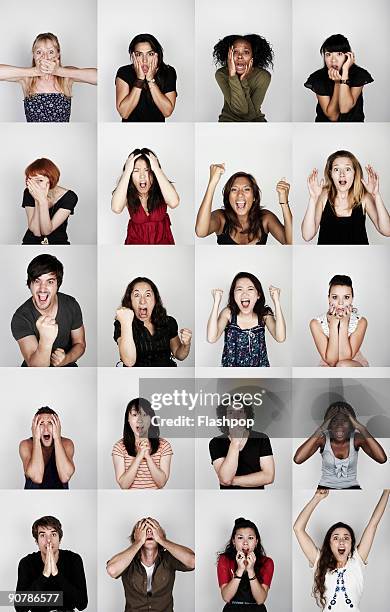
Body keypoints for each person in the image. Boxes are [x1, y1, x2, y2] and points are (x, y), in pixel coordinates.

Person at [293, 489, 390, 611]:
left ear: (351, 544)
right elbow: (298, 528)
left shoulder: (357, 560)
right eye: (336, 538)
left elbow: (373, 524)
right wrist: (317, 498)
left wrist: (387, 490)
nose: (341, 542)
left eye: (346, 538)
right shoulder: (319, 561)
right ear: (329, 543)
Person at [0, 32, 97, 122]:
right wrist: (34, 71)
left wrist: (58, 71)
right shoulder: (27, 78)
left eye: (50, 52)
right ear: (34, 55)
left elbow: (97, 77)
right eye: (39, 52)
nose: (45, 57)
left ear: (58, 54)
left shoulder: (66, 77)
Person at [11, 254, 86, 367]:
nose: (42, 288)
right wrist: (46, 340)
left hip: (67, 367)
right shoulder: (20, 317)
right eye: (37, 281)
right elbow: (36, 368)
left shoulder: (71, 304)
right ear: (30, 284)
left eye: (50, 282)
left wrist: (66, 359)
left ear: (57, 285)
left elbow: (80, 343)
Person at [106, 517, 194, 612]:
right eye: (143, 529)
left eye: (153, 529)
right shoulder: (127, 559)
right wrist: (138, 542)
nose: (148, 531)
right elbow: (112, 570)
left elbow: (192, 561)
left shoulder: (168, 558)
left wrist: (162, 540)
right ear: (136, 535)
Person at [302, 151, 390, 244]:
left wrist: (376, 195)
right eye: (336, 169)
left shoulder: (364, 197)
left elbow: (387, 231)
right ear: (331, 174)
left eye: (347, 169)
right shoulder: (323, 196)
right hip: (327, 256)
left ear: (355, 173)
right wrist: (313, 198)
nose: (342, 174)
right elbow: (307, 236)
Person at [293, 401, 387, 489]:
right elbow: (298, 459)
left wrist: (361, 428)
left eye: (344, 421)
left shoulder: (356, 438)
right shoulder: (323, 439)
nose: (339, 425)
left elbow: (382, 459)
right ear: (329, 424)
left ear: (351, 423)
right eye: (334, 421)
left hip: (352, 487)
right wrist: (321, 428)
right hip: (325, 487)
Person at [196, 164, 292, 244]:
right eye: (234, 189)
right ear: (228, 197)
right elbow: (200, 232)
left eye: (246, 189)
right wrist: (212, 183)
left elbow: (290, 242)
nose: (240, 194)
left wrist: (284, 202)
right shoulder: (221, 217)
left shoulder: (265, 217)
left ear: (254, 196)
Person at [207, 272, 286, 367]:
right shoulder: (228, 313)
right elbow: (211, 338)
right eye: (239, 289)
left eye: (250, 289)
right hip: (231, 375)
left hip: (260, 375)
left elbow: (280, 338)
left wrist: (276, 302)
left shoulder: (264, 314)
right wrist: (216, 303)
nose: (245, 293)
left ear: (258, 295)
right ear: (233, 295)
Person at [15, 515, 88, 612]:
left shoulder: (74, 559)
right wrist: (44, 575)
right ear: (36, 541)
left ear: (60, 539)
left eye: (53, 534)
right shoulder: (26, 563)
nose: (48, 540)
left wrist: (57, 574)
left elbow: (82, 604)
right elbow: (20, 608)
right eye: (42, 535)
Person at [114, 276, 192, 367]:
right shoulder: (122, 324)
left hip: (165, 376)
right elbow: (129, 361)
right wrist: (126, 322)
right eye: (136, 295)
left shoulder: (168, 322)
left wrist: (186, 344)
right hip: (136, 378)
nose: (142, 301)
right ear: (130, 300)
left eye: (148, 295)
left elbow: (179, 355)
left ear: (155, 299)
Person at [111, 148, 179, 244]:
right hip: (135, 249)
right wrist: (127, 171)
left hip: (164, 247)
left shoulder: (164, 188)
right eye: (136, 171)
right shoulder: (125, 192)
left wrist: (156, 168)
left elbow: (174, 202)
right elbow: (116, 208)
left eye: (147, 170)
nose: (142, 176)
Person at [304, 34, 373, 122]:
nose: (333, 60)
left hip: (354, 128)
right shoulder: (318, 77)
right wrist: (337, 83)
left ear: (347, 56)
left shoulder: (359, 74)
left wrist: (345, 73)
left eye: (339, 54)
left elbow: (344, 108)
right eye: (328, 54)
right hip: (324, 129)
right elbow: (333, 117)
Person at [209, 402, 274, 489]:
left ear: (246, 415)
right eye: (231, 412)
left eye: (240, 411)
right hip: (228, 499)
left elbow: (268, 477)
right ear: (225, 417)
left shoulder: (261, 438)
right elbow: (225, 479)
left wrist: (232, 481)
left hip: (257, 498)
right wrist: (235, 442)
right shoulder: (216, 442)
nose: (236, 416)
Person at [112, 397, 173, 489]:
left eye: (144, 415)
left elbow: (161, 483)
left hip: (156, 500)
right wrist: (139, 456)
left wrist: (147, 457)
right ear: (128, 419)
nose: (140, 420)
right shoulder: (119, 447)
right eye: (135, 414)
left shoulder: (164, 446)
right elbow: (123, 485)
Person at [115, 33, 177, 122]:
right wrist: (139, 80)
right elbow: (124, 113)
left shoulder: (168, 72)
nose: (145, 60)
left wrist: (150, 80)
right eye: (139, 54)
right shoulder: (124, 72)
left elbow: (167, 112)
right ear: (133, 56)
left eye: (150, 54)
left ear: (157, 54)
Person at [310, 275, 368, 367]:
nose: (340, 303)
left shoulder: (361, 322)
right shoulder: (316, 323)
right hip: (328, 366)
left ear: (352, 298)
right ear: (328, 298)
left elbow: (344, 359)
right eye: (335, 297)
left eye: (346, 297)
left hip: (352, 365)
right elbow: (331, 362)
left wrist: (344, 323)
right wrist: (333, 324)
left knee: (342, 365)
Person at [217, 517, 274, 611]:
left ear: (256, 542)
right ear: (234, 541)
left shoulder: (267, 562)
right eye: (240, 538)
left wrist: (251, 570)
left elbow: (260, 600)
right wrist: (239, 570)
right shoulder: (225, 559)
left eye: (250, 538)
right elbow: (226, 597)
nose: (245, 543)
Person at [213, 34, 273, 122]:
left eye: (246, 52)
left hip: (255, 121)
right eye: (235, 52)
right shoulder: (221, 74)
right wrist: (233, 76)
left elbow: (250, 115)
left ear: (253, 56)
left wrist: (243, 81)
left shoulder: (263, 76)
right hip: (228, 120)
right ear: (229, 55)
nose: (240, 56)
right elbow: (241, 110)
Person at [21, 158, 78, 245]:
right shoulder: (28, 192)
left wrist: (43, 201)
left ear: (51, 179)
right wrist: (37, 200)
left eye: (40, 180)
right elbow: (36, 231)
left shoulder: (69, 197)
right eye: (31, 181)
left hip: (58, 243)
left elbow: (46, 231)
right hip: (31, 242)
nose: (35, 186)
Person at [19, 406, 75, 489]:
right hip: (32, 499)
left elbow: (65, 477)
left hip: (60, 499)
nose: (46, 429)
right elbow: (37, 477)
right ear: (35, 427)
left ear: (57, 427)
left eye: (50, 424)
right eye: (41, 424)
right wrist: (36, 439)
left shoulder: (67, 444)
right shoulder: (26, 445)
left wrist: (57, 438)